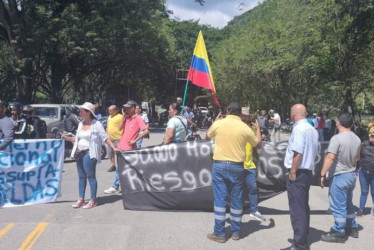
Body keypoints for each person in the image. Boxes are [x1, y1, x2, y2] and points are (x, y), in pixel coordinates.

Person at [206, 102, 260, 243]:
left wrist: (215, 122)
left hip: (220, 166)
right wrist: (258, 129)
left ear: (228, 111)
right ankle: (236, 232)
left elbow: (207, 136)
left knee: (220, 200)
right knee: (236, 199)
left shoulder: (219, 124)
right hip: (237, 167)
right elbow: (257, 144)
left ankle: (219, 233)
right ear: (239, 113)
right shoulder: (244, 127)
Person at [61, 102, 119, 209]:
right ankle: (81, 199)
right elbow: (77, 139)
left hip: (89, 153)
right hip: (79, 152)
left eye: (82, 111)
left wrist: (114, 148)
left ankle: (93, 200)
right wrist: (66, 138)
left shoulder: (96, 125)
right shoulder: (80, 124)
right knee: (81, 177)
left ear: (88, 113)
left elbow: (105, 137)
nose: (80, 113)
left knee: (90, 176)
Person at [320, 113, 361, 242]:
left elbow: (331, 157)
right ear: (352, 124)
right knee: (348, 204)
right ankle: (352, 227)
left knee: (338, 206)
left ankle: (339, 232)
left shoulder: (336, 138)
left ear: (338, 123)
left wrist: (322, 174)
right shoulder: (357, 139)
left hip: (339, 176)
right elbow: (357, 158)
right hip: (351, 174)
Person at [283, 104, 318, 250]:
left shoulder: (298, 129)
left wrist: (292, 172)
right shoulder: (311, 129)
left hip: (298, 172)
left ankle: (299, 243)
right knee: (303, 206)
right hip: (306, 172)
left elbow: (298, 153)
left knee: (297, 209)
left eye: (291, 111)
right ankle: (302, 238)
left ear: (294, 113)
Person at [104, 100, 149, 194]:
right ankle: (119, 186)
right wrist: (124, 116)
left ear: (133, 108)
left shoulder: (138, 118)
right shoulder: (126, 118)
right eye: (125, 107)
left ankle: (120, 186)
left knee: (127, 168)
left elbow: (146, 131)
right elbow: (120, 128)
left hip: (129, 148)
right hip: (121, 146)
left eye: (128, 107)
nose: (126, 109)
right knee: (121, 168)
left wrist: (135, 140)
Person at [241, 107, 264, 221]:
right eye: (243, 115)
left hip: (249, 164)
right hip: (237, 164)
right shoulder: (236, 127)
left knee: (253, 188)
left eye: (247, 115)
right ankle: (237, 209)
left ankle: (254, 210)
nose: (245, 117)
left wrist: (258, 129)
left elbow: (258, 144)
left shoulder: (251, 128)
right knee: (237, 189)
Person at [356, 126, 374, 217]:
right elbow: (358, 157)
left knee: (373, 192)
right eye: (372, 136)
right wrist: (357, 168)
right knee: (364, 192)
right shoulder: (364, 145)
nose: (372, 138)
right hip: (363, 171)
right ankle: (361, 210)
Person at [106, 105, 123, 172]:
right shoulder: (109, 117)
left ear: (115, 110)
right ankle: (114, 165)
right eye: (108, 110)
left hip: (118, 139)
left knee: (119, 154)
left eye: (110, 110)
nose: (109, 112)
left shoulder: (120, 117)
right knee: (110, 154)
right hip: (110, 139)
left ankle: (121, 166)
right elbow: (108, 126)